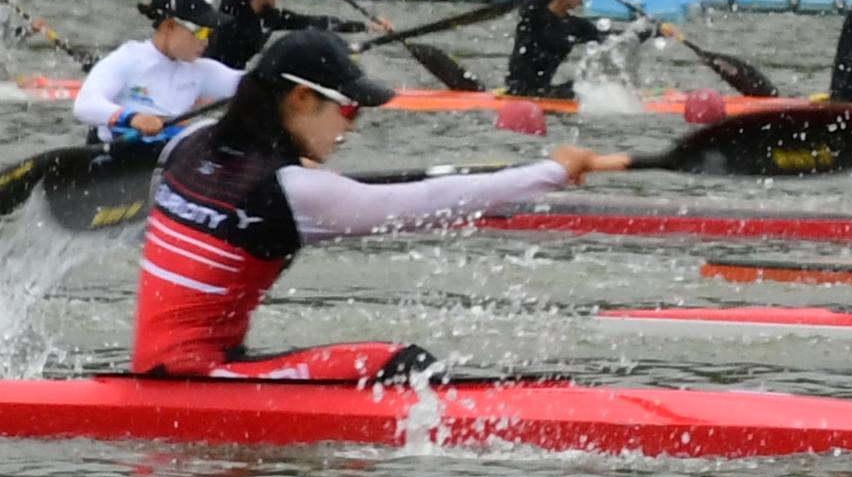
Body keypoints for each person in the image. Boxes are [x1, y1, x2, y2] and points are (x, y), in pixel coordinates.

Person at [133, 32, 625, 381]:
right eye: (349, 109)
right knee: (406, 367)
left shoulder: (190, 144)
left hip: (166, 364)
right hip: (202, 376)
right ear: (302, 99)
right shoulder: (293, 191)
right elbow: (428, 202)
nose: (353, 126)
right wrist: (552, 171)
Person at [74, 0, 243, 151]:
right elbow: (84, 104)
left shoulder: (202, 72)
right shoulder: (128, 59)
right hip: (114, 161)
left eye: (209, 32)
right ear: (169, 26)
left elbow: (255, 84)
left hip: (162, 162)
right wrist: (133, 118)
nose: (205, 41)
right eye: (200, 32)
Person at [203, 0, 356, 71]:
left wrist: (365, 27)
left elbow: (314, 22)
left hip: (234, 74)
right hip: (210, 72)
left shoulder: (270, 17)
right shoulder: (233, 4)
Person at [504, 0, 609, 100]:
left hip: (544, 91)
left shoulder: (575, 25)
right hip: (519, 91)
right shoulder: (534, 13)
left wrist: (637, 32)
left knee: (590, 84)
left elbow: (610, 41)